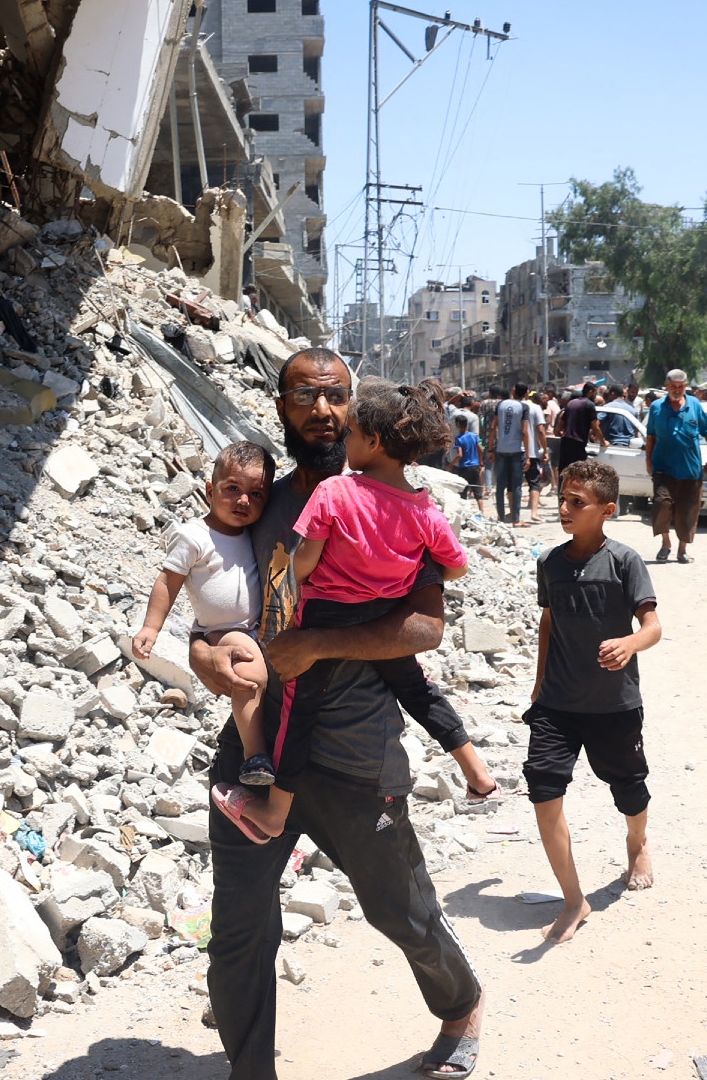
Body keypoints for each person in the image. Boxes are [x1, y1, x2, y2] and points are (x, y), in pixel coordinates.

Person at [196, 347, 486, 1080]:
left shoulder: (398, 504)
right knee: (237, 932)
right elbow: (219, 607)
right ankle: (249, 1069)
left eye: (335, 398)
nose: (321, 412)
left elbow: (425, 628)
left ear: (358, 411)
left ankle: (461, 1006)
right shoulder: (260, 501)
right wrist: (206, 659)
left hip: (357, 752)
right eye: (304, 397)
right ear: (281, 406)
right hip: (260, 742)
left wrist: (317, 644)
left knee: (403, 911)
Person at [221, 378, 498, 841]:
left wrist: (295, 577)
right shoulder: (423, 509)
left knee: (297, 713)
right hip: (383, 618)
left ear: (372, 441)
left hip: (325, 615)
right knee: (419, 692)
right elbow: (456, 567)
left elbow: (305, 563)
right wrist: (402, 573)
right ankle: (477, 771)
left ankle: (273, 813)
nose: (343, 441)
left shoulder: (335, 492)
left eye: (350, 434)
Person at [524, 459, 661, 944]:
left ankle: (637, 841)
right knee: (542, 788)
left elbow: (652, 626)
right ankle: (573, 898)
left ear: (606, 510)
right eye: (561, 497)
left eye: (575, 502)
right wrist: (539, 683)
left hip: (613, 705)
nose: (563, 508)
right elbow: (548, 622)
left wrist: (630, 644)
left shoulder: (624, 561)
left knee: (628, 784)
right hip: (558, 704)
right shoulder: (551, 563)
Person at [135, 442, 278, 784]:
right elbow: (168, 582)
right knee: (249, 675)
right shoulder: (194, 536)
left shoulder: (251, 533)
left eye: (256, 495)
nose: (244, 501)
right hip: (223, 630)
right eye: (233, 489)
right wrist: (151, 628)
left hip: (257, 627)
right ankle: (255, 755)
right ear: (209, 490)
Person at [644, 369, 707, 564]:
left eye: (681, 387)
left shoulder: (694, 404)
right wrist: (648, 461)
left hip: (690, 469)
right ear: (666, 387)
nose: (677, 390)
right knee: (661, 504)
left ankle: (682, 550)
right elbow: (650, 436)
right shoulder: (657, 407)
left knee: (687, 511)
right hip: (663, 467)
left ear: (685, 386)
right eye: (673, 387)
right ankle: (666, 543)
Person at [492, 383, 544, 526]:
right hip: (517, 450)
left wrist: (491, 449)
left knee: (500, 485)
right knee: (516, 486)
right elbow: (524, 431)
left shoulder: (501, 405)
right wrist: (528, 456)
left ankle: (501, 517)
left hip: (501, 450)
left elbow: (492, 427)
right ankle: (516, 519)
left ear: (513, 390)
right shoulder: (524, 407)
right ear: (526, 393)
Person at [556, 384, 606, 475]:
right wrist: (603, 441)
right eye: (595, 392)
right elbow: (595, 427)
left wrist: (558, 432)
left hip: (565, 443)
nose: (596, 395)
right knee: (577, 473)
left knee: (564, 472)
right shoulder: (589, 405)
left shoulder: (571, 403)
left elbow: (561, 421)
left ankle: (562, 489)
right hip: (577, 445)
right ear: (590, 392)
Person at [450, 413, 485, 517]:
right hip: (475, 467)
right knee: (478, 493)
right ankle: (482, 513)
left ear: (457, 425)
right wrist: (481, 462)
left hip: (464, 468)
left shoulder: (459, 439)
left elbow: (460, 455)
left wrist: (451, 464)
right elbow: (481, 450)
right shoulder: (473, 436)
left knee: (463, 493)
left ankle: (463, 515)